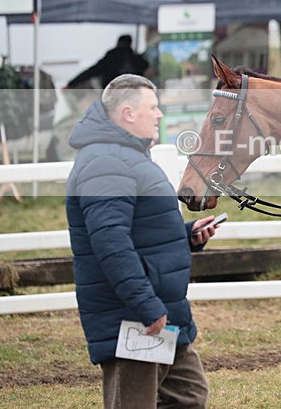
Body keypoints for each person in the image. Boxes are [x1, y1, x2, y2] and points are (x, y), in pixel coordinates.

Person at [65, 73, 221, 408]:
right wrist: (147, 307)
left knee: (188, 395)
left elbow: (140, 230)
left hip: (160, 309)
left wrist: (187, 235)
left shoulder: (127, 156)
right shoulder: (106, 163)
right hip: (135, 316)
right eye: (153, 107)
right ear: (128, 113)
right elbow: (111, 245)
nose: (159, 114)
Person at [66, 34, 150, 89]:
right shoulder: (136, 59)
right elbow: (146, 71)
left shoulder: (110, 58)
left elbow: (91, 71)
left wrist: (71, 84)